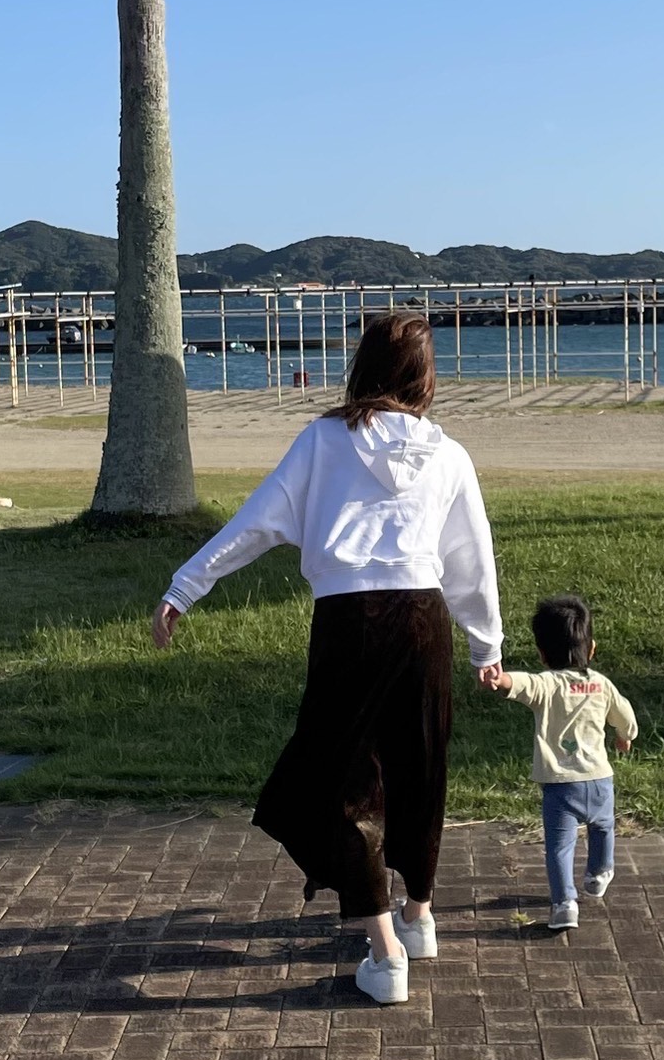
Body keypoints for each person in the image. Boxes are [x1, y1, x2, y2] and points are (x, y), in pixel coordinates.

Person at [151, 312, 503, 1005]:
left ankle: (386, 952)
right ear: (425, 378)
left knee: (347, 780)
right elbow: (472, 558)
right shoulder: (449, 455)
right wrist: (485, 645)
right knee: (420, 766)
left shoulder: (324, 440)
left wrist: (185, 587)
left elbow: (257, 522)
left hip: (351, 621)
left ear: (363, 367)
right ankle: (418, 916)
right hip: (425, 618)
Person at [485, 594, 637, 930]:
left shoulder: (547, 685)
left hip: (560, 787)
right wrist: (625, 735)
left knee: (558, 848)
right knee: (603, 827)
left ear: (541, 653)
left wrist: (500, 679)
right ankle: (600, 872)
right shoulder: (601, 685)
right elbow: (624, 714)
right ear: (591, 649)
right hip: (599, 779)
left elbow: (522, 684)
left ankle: (565, 904)